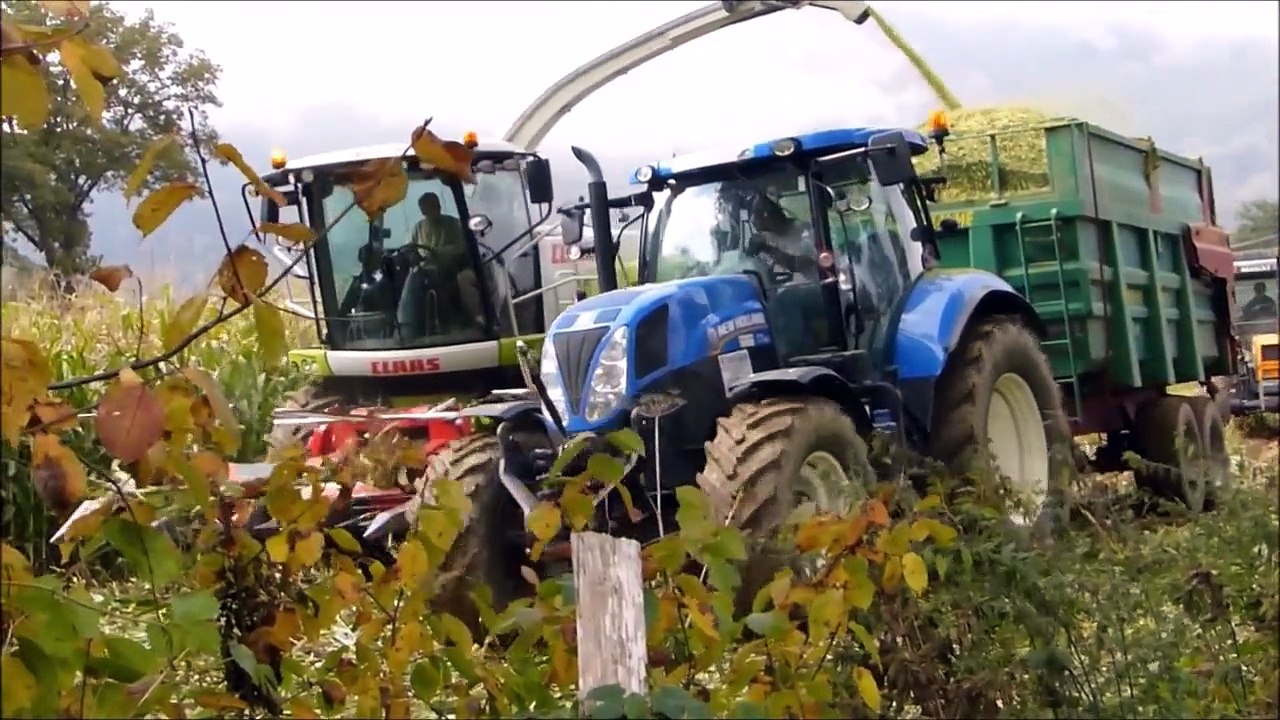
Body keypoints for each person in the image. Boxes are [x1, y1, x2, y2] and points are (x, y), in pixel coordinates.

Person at [409, 192, 483, 326]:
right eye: (427, 208)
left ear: (439, 206)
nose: (432, 210)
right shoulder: (418, 228)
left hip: (452, 268)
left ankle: (462, 320)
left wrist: (439, 253)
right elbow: (411, 248)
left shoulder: (453, 224)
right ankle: (415, 323)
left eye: (434, 206)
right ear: (422, 211)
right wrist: (412, 255)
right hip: (425, 271)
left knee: (456, 280)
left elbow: (462, 247)